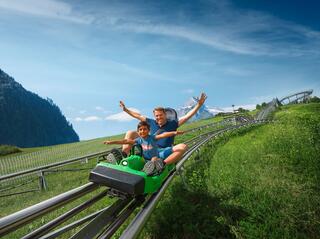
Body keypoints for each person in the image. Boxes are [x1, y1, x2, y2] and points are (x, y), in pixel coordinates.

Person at [110, 92, 207, 165]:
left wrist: (199, 105)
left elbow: (187, 116)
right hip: (147, 148)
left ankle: (160, 165)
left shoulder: (173, 123)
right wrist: (125, 110)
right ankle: (123, 156)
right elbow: (137, 116)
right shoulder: (150, 122)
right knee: (130, 132)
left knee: (183, 147)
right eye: (156, 116)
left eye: (160, 115)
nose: (158, 117)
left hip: (162, 151)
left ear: (165, 115)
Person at [104, 121, 184, 175]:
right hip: (145, 159)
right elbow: (125, 141)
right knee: (135, 158)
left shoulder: (152, 137)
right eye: (140, 130)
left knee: (154, 159)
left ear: (148, 130)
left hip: (155, 157)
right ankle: (119, 161)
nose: (142, 131)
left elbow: (163, 135)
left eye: (145, 129)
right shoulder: (138, 140)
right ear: (138, 131)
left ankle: (150, 169)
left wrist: (174, 132)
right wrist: (112, 142)